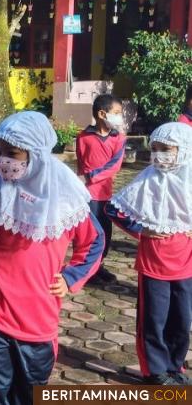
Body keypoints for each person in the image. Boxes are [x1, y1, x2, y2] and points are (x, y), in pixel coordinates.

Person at [0, 111, 104, 404]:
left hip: (40, 325)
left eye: (12, 154)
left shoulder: (66, 200)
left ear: (38, 154)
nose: (4, 161)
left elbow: (94, 242)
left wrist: (70, 277)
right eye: (0, 153)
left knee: (29, 395)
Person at [105, 122, 192, 386]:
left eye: (165, 149)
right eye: (154, 149)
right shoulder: (148, 179)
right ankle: (155, 372)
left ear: (184, 150)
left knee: (181, 319)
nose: (158, 155)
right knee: (154, 319)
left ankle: (173, 366)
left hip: (185, 264)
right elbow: (114, 209)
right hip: (154, 262)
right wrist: (141, 231)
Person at [75, 94, 127, 284]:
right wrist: (82, 183)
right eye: (116, 113)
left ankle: (99, 266)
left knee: (105, 232)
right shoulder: (83, 137)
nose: (119, 117)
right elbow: (82, 162)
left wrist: (91, 176)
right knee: (87, 232)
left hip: (105, 195)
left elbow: (114, 165)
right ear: (101, 114)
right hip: (87, 195)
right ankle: (85, 267)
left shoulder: (119, 139)